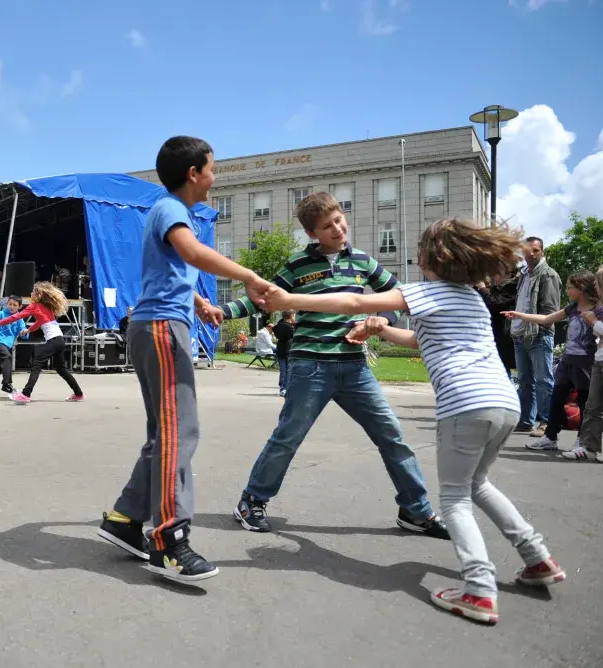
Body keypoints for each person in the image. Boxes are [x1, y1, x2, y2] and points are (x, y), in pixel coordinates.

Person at [262, 217, 566, 625]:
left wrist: (290, 301)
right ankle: (537, 557)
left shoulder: (426, 291)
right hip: (502, 404)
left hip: (465, 404)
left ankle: (478, 589)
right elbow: (420, 340)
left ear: (430, 259)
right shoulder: (470, 298)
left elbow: (354, 302)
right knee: (478, 485)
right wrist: (381, 330)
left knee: (455, 497)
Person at [96, 135, 271, 584]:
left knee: (164, 435)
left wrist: (198, 303)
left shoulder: (174, 214)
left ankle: (124, 520)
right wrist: (249, 275)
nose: (215, 176)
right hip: (159, 330)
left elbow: (169, 269)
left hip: (156, 324)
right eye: (212, 168)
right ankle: (170, 540)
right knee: (181, 432)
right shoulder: (172, 209)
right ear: (193, 174)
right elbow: (192, 254)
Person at [224, 191, 449, 540]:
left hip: (355, 368)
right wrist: (222, 311)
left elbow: (400, 297)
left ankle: (415, 510)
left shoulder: (363, 261)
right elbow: (262, 300)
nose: (337, 228)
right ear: (312, 234)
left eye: (339, 219)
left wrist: (381, 319)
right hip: (310, 366)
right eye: (327, 226)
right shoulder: (297, 266)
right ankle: (252, 501)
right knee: (288, 438)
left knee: (392, 435)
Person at [504, 270, 603, 455]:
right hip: (567, 362)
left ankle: (583, 439)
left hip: (585, 365)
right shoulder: (572, 308)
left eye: (570, 287)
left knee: (584, 403)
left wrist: (594, 322)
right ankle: (550, 437)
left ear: (581, 288)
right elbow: (546, 319)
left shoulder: (598, 311)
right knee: (556, 399)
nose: (567, 290)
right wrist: (520, 315)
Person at [0, 282, 83, 404]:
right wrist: (28, 330)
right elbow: (39, 322)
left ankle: (26, 394)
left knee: (37, 363)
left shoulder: (35, 305)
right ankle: (78, 393)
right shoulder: (45, 306)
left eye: (33, 292)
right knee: (61, 369)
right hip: (59, 340)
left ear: (38, 295)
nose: (31, 293)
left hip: (54, 340)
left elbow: (16, 316)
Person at [510, 237, 561, 435]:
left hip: (539, 335)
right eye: (527, 249)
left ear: (541, 251)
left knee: (543, 380)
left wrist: (536, 328)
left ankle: (547, 422)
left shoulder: (548, 275)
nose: (531, 253)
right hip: (520, 333)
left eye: (536, 250)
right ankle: (526, 420)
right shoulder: (524, 274)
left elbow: (550, 312)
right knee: (525, 380)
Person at [568, 267, 603, 462]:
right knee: (592, 407)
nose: (595, 287)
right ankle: (589, 447)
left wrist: (594, 323)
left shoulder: (597, 312)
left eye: (597, 283)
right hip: (599, 359)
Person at [475, 269, 519, 376]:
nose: (494, 275)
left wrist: (483, 288)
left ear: (509, 275)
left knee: (503, 370)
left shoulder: (512, 288)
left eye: (498, 272)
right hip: (494, 335)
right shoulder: (497, 288)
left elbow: (496, 306)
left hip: (505, 336)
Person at [272, 310, 295, 396]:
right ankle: (285, 388)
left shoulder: (279, 326)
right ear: (292, 315)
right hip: (289, 350)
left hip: (281, 350)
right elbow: (293, 336)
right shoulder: (289, 327)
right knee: (289, 371)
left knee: (283, 371)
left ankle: (283, 388)